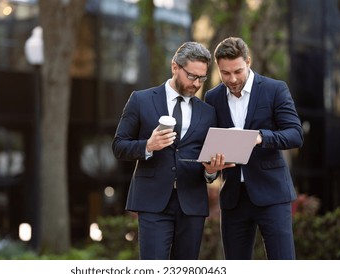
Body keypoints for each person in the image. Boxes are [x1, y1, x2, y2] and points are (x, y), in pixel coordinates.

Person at [112, 42, 233, 260]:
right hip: (153, 202)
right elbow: (119, 146)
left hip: (192, 204)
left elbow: (210, 161)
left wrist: (211, 170)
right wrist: (148, 146)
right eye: (191, 76)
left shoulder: (208, 113)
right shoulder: (141, 100)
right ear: (175, 67)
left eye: (202, 78)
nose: (196, 83)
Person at [204, 37, 304, 260]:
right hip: (233, 199)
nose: (232, 79)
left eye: (238, 71)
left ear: (248, 61)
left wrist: (260, 137)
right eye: (225, 73)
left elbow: (295, 135)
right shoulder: (212, 97)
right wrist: (211, 168)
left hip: (272, 194)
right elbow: (207, 142)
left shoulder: (275, 89)